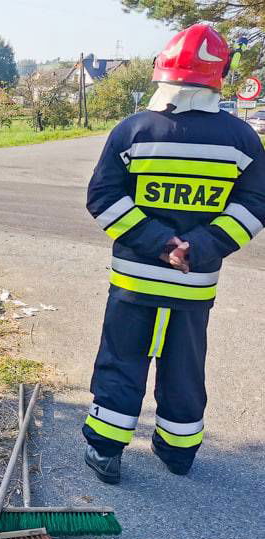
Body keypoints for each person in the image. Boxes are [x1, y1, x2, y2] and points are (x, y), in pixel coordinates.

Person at [82, 24, 265, 484]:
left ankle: (106, 453)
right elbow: (254, 205)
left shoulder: (133, 130)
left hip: (134, 280)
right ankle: (179, 452)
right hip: (194, 282)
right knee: (184, 365)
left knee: (122, 360)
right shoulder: (242, 140)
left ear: (163, 69)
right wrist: (196, 248)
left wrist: (160, 244)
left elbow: (103, 198)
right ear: (218, 76)